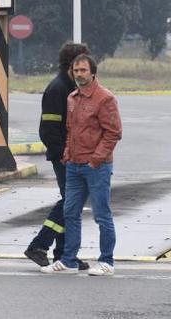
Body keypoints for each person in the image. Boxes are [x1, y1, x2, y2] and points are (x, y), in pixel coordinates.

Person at [41, 54, 122, 277]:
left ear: (93, 72)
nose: (79, 74)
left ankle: (107, 261)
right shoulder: (72, 98)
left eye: (83, 70)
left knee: (102, 215)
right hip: (74, 165)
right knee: (70, 212)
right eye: (76, 70)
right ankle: (68, 261)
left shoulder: (105, 99)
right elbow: (70, 130)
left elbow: (113, 133)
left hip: (97, 166)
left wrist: (96, 158)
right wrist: (67, 153)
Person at [24, 43, 92, 270]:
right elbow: (49, 129)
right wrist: (63, 154)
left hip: (75, 155)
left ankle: (63, 254)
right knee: (70, 203)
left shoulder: (73, 87)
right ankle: (39, 245)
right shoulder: (58, 89)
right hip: (64, 156)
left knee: (72, 204)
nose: (83, 70)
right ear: (71, 65)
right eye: (80, 65)